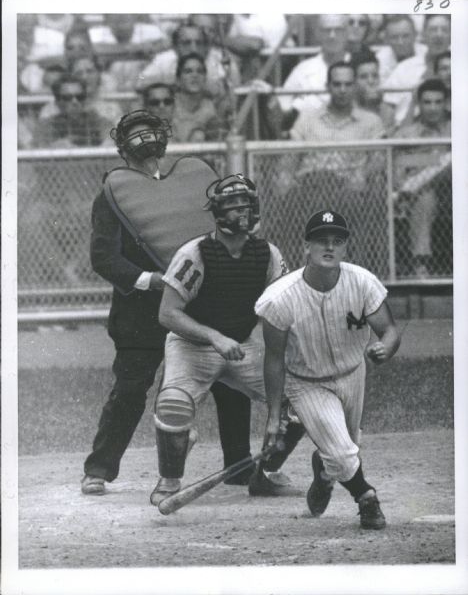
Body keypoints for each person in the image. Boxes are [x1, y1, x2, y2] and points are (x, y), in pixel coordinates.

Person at [80, 110, 259, 495]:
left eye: (149, 131)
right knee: (130, 389)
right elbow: (103, 258)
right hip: (140, 312)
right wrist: (153, 281)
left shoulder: (196, 180)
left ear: (163, 138)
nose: (144, 139)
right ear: (122, 145)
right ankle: (99, 469)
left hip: (200, 304)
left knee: (229, 381)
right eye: (135, 134)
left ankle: (240, 465)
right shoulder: (112, 193)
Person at [150, 174, 305, 505]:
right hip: (191, 346)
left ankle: (264, 473)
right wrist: (214, 337)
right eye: (233, 207)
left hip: (243, 345)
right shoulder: (195, 253)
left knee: (304, 400)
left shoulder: (268, 254)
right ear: (218, 213)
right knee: (173, 405)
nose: (242, 213)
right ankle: (170, 477)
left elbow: (281, 308)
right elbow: (168, 313)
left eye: (246, 205)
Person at [255, 209, 401, 530]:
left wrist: (385, 347)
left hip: (353, 374)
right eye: (322, 241)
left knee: (345, 448)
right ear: (306, 245)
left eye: (337, 241)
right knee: (345, 454)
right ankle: (367, 498)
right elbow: (274, 359)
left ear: (346, 247)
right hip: (305, 383)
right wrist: (274, 415)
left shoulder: (362, 283)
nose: (329, 247)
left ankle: (323, 470)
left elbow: (390, 330)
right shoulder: (280, 297)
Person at [278, 61, 385, 270]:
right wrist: (285, 174)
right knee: (291, 197)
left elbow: (380, 158)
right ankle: (296, 268)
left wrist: (363, 173)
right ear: (328, 86)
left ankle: (325, 265)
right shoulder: (308, 118)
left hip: (348, 187)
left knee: (343, 202)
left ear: (355, 86)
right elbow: (291, 155)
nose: (343, 90)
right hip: (309, 184)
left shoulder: (370, 121)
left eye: (347, 84)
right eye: (337, 84)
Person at [393, 78, 451, 277]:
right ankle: (421, 263)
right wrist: (435, 159)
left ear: (446, 103)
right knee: (425, 198)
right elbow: (399, 166)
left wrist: (426, 160)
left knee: (453, 159)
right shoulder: (407, 134)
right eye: (427, 102)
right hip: (426, 194)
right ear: (419, 104)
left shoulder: (458, 128)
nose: (433, 108)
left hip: (457, 187)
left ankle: (417, 185)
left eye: (438, 102)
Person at [137, 22, 241, 101]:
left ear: (206, 46)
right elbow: (140, 83)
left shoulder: (221, 61)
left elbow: (234, 92)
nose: (193, 48)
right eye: (186, 43)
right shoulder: (163, 60)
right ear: (175, 46)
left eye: (198, 43)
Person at [278, 14, 350, 127]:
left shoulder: (357, 64)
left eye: (338, 30)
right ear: (318, 34)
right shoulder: (303, 69)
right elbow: (283, 106)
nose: (332, 35)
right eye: (327, 30)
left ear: (346, 33)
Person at [383, 15, 451, 126]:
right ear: (423, 34)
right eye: (433, 29)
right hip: (406, 133)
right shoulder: (405, 67)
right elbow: (388, 106)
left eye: (444, 30)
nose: (439, 35)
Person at [32, 74, 110, 148]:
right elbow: (38, 149)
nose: (74, 102)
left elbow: (111, 141)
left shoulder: (100, 122)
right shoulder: (46, 126)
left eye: (80, 97)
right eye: (67, 98)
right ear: (57, 101)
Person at [171, 53, 225, 142]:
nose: (195, 76)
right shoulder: (167, 104)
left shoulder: (212, 107)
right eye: (188, 71)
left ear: (205, 78)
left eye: (199, 71)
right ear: (178, 80)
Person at [352, 50, 396, 134]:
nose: (371, 81)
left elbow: (387, 144)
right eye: (363, 77)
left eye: (375, 76)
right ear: (353, 82)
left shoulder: (387, 111)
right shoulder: (344, 110)